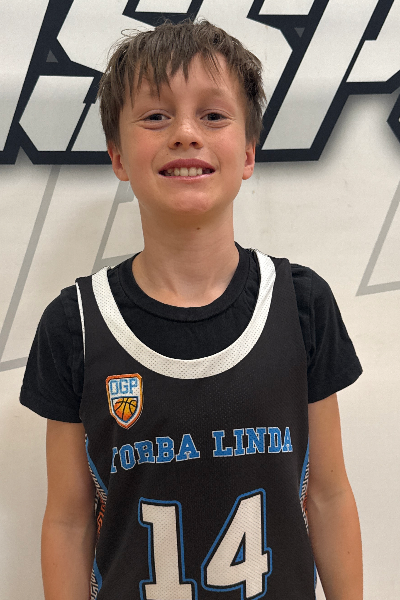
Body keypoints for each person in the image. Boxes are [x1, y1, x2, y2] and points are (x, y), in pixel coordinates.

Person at [20, 19, 363, 600]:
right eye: (155, 116)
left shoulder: (301, 304)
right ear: (118, 156)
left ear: (248, 152)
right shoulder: (74, 323)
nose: (185, 133)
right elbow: (69, 519)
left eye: (213, 115)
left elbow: (326, 495)